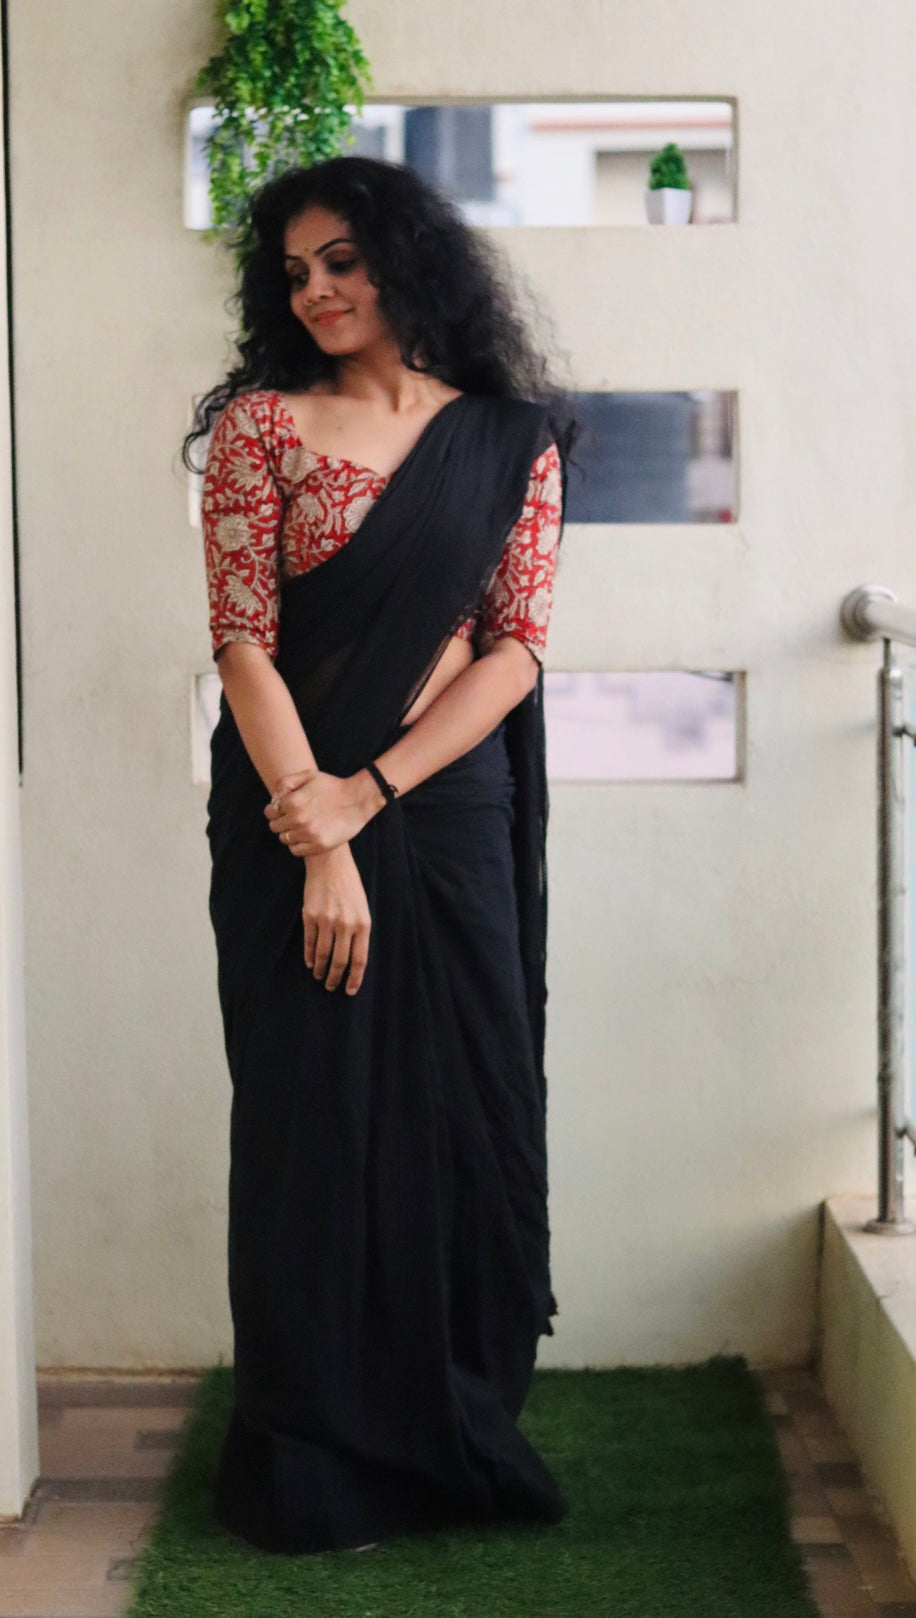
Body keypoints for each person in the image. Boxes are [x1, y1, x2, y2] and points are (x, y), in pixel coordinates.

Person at [182, 154, 579, 1556]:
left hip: (446, 817)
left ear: (408, 260)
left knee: (466, 1111)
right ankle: (314, 1452)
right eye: (294, 272)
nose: (317, 290)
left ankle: (456, 1429)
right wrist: (318, 827)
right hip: (286, 814)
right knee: (312, 1127)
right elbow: (243, 639)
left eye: (341, 260)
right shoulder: (261, 428)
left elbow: (514, 650)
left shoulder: (511, 439)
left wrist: (374, 793)